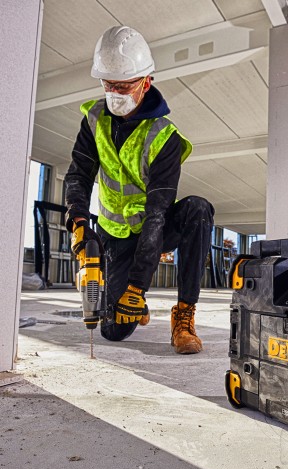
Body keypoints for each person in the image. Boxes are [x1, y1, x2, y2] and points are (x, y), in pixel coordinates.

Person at [65, 26, 214, 354]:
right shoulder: (93, 119)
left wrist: (136, 285)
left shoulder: (165, 137)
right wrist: (78, 223)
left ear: (146, 82)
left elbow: (157, 212)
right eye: (108, 84)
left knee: (198, 209)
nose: (114, 92)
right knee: (113, 331)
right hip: (114, 236)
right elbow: (78, 175)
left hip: (154, 228)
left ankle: (184, 316)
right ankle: (135, 304)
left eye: (123, 85)